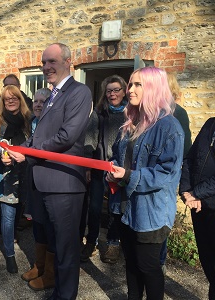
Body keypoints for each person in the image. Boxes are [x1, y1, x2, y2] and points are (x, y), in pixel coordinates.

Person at [4, 43, 92, 299]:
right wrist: (18, 151)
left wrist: (29, 152)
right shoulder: (54, 93)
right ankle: (57, 289)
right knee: (55, 242)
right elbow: (40, 135)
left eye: (51, 61)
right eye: (43, 62)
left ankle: (65, 295)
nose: (45, 67)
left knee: (66, 248)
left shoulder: (79, 92)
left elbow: (66, 137)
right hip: (46, 180)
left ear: (68, 62)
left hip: (64, 183)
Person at [105, 66, 184, 300]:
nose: (130, 90)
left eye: (138, 84)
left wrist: (128, 176)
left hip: (151, 214)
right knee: (131, 264)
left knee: (148, 268)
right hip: (126, 208)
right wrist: (112, 171)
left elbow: (166, 173)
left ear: (153, 88)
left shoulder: (169, 127)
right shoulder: (131, 122)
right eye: (131, 84)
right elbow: (120, 160)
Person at [80, 75, 128, 264]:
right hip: (100, 166)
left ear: (124, 91)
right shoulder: (99, 112)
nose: (112, 94)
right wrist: (88, 165)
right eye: (109, 90)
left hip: (121, 168)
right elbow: (89, 139)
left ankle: (113, 244)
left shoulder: (131, 113)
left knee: (116, 208)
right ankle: (91, 241)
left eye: (116, 90)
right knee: (94, 207)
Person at [0, 85, 30, 274]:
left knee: (19, 211)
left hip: (26, 174)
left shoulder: (29, 120)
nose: (11, 100)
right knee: (8, 215)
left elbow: (36, 144)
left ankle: (12, 236)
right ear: (3, 102)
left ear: (20, 99)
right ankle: (10, 255)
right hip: (5, 176)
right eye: (7, 98)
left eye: (14, 97)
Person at [21, 87, 55, 291]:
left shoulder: (51, 125)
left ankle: (50, 274)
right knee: (38, 223)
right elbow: (28, 144)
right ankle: (39, 265)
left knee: (49, 226)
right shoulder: (34, 123)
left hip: (49, 180)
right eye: (35, 101)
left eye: (43, 101)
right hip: (34, 179)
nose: (38, 104)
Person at [159, 72, 192, 273]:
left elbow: (186, 149)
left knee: (161, 220)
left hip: (167, 174)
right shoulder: (148, 111)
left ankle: (158, 267)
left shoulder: (177, 113)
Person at [179, 117, 215, 300]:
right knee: (208, 262)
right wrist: (186, 190)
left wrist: (197, 193)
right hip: (200, 207)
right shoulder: (210, 124)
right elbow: (190, 158)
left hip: (210, 205)